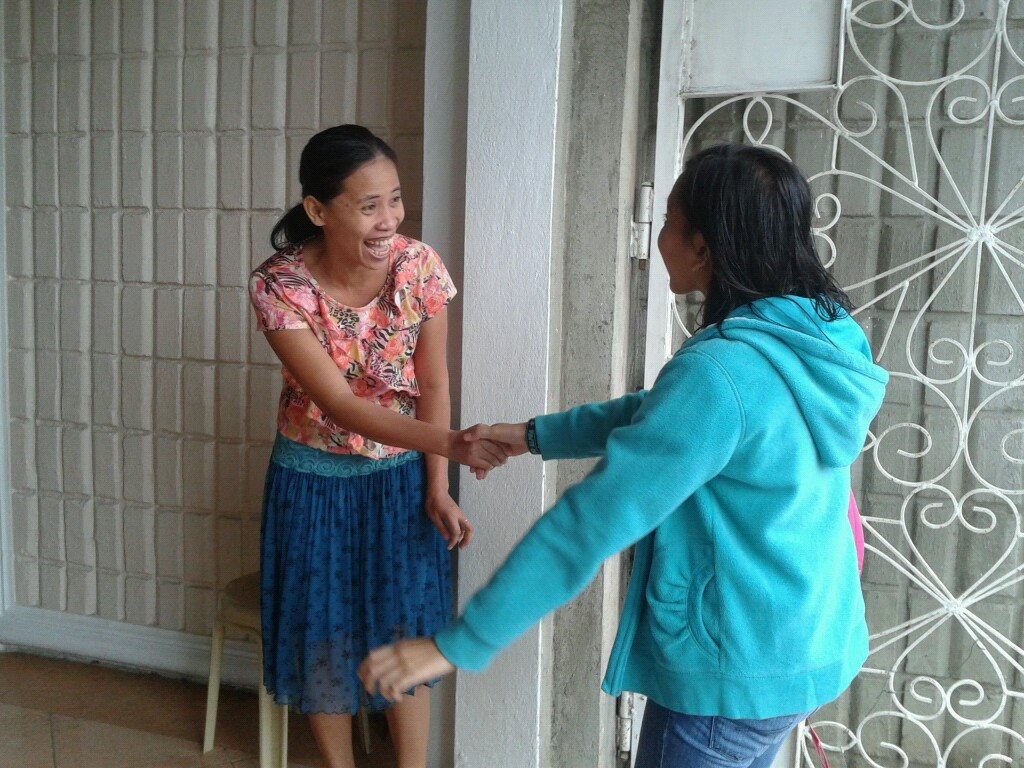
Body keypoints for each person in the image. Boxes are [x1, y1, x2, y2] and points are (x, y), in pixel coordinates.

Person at [359, 144, 888, 768]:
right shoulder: (815, 336)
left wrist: (458, 644)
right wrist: (532, 436)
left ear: (702, 247)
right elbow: (665, 413)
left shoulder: (722, 373)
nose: (660, 238)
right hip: (807, 641)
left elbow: (588, 524)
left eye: (669, 223)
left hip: (730, 673)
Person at [248, 124, 507, 768]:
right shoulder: (279, 287)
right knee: (322, 633)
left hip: (401, 480)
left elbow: (434, 383)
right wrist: (452, 443)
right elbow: (342, 406)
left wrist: (438, 485)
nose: (389, 219)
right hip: (312, 483)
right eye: (368, 205)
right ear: (318, 210)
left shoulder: (419, 268)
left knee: (405, 631)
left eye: (395, 199)